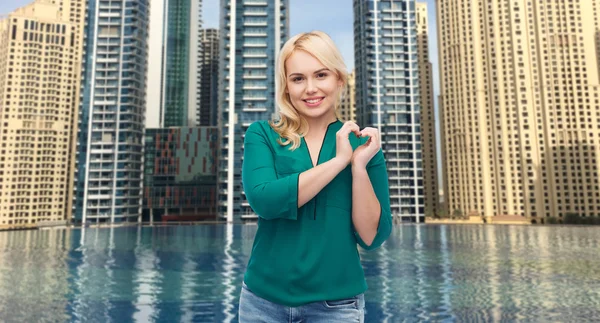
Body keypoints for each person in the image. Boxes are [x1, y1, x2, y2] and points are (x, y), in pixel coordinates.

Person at [238, 30, 392, 322]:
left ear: (339, 79)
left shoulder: (365, 147)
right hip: (262, 303)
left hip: (337, 306)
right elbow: (264, 200)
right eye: (298, 79)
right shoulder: (263, 135)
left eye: (320, 75)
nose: (310, 88)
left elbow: (373, 237)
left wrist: (357, 167)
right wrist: (339, 162)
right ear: (286, 88)